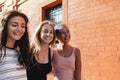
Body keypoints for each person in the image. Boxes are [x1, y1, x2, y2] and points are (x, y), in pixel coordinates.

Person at [0, 10, 30, 80]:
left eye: (23, 26)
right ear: (5, 27)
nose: (19, 29)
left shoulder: (20, 52)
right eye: (14, 25)